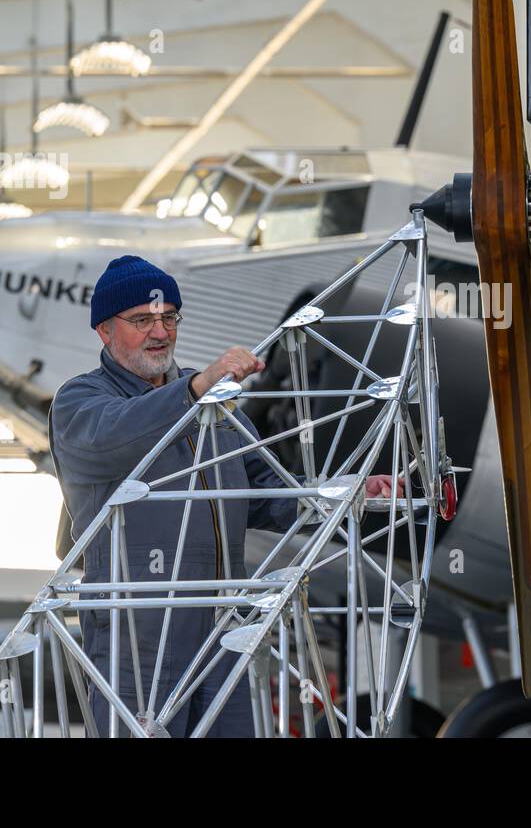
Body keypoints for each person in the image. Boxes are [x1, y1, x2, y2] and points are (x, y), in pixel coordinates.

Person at [49, 254, 398, 736]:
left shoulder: (214, 405)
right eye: (142, 320)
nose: (160, 331)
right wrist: (196, 389)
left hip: (223, 624)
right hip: (136, 631)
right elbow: (117, 437)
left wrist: (345, 492)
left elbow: (267, 492)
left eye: (169, 317)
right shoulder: (81, 401)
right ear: (104, 330)